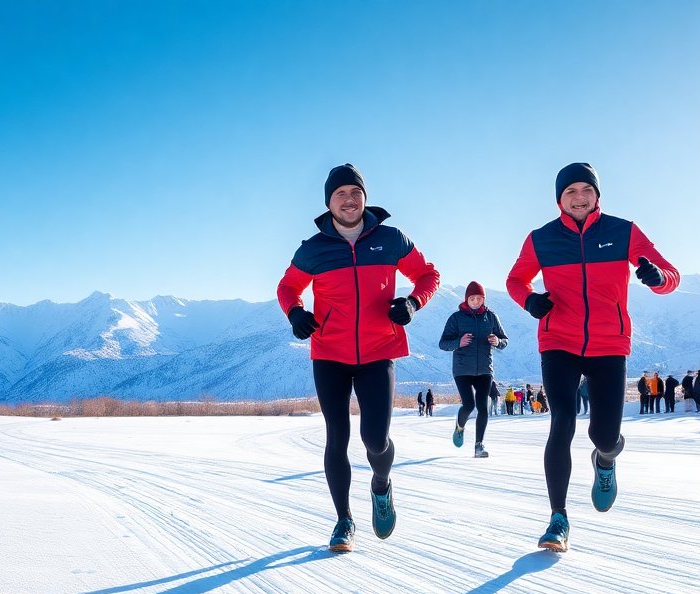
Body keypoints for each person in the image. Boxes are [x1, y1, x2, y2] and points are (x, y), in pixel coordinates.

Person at [506, 162, 679, 552]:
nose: (579, 197)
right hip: (559, 342)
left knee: (602, 434)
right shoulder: (541, 239)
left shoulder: (624, 231)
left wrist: (658, 279)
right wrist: (530, 300)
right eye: (571, 192)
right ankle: (558, 518)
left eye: (586, 190)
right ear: (559, 200)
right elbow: (515, 280)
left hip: (608, 345)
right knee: (562, 420)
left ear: (597, 195)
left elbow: (670, 272)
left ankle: (605, 459)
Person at [278, 163, 440, 551]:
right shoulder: (313, 249)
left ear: (364, 197)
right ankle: (343, 521)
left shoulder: (391, 239)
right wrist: (296, 312)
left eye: (354, 192)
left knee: (375, 438)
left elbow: (428, 275)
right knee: (338, 437)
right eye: (340, 194)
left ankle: (381, 485)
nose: (348, 200)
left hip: (378, 350)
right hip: (329, 352)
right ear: (328, 203)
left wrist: (414, 303)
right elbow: (288, 286)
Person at [439, 281, 508, 458]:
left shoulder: (491, 317)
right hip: (462, 369)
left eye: (479, 298)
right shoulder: (456, 318)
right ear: (466, 299)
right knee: (468, 405)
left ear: (483, 299)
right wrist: (458, 342)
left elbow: (504, 340)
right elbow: (443, 343)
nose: (476, 301)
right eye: (472, 298)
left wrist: (497, 342)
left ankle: (479, 445)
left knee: (483, 407)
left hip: (485, 368)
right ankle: (460, 427)